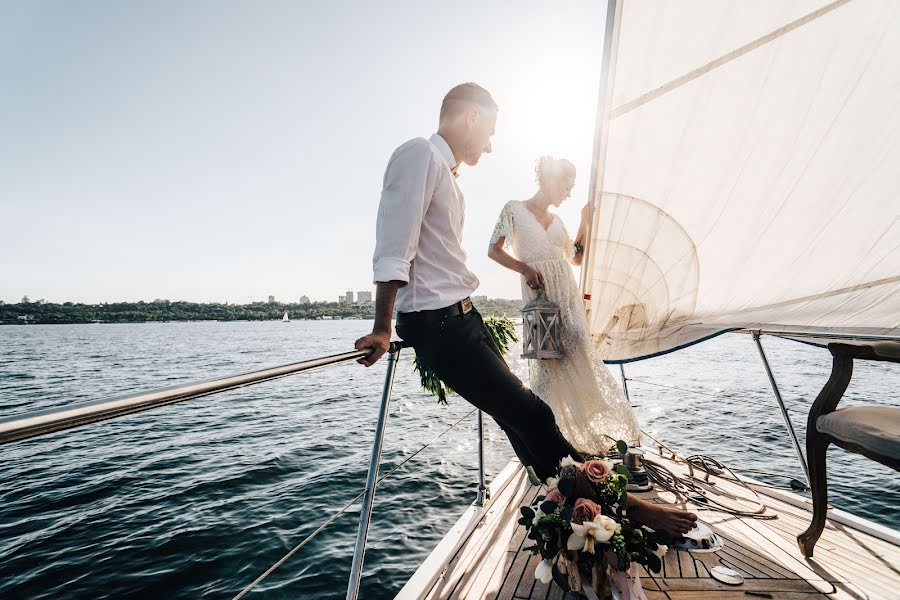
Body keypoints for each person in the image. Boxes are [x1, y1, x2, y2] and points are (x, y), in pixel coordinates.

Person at [355, 84, 697, 535]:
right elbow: (394, 244)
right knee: (533, 415)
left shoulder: (444, 172)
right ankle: (629, 507)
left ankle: (574, 505)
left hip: (461, 321)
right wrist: (382, 326)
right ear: (471, 118)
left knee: (520, 420)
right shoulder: (420, 154)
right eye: (491, 131)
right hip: (441, 328)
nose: (491, 143)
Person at [488, 156, 641, 454]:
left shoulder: (558, 221)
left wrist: (584, 220)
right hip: (538, 301)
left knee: (580, 349)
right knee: (545, 372)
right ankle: (544, 439)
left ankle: (586, 433)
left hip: (567, 297)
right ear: (548, 178)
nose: (568, 193)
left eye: (571, 188)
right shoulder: (513, 209)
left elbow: (576, 256)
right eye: (566, 186)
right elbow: (492, 250)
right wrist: (524, 269)